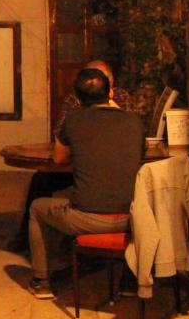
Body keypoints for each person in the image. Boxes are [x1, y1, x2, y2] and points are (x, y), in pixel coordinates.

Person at [27, 67, 144, 298]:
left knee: (37, 207)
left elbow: (59, 158)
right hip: (133, 218)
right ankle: (129, 281)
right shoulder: (135, 122)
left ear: (78, 99)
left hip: (87, 219)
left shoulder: (74, 120)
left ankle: (41, 281)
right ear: (110, 93)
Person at [6, 60, 132, 253]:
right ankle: (27, 236)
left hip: (109, 166)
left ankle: (81, 231)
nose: (93, 83)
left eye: (99, 79)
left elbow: (122, 129)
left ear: (110, 82)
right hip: (77, 163)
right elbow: (61, 131)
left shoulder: (121, 98)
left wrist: (105, 104)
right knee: (41, 179)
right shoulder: (75, 99)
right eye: (89, 78)